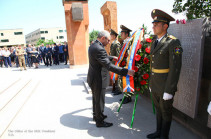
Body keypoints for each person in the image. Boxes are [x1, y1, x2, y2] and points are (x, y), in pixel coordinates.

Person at [147, 9, 183, 139]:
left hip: (165, 85)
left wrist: (169, 89)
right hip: (155, 84)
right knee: (158, 110)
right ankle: (158, 132)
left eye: (156, 24)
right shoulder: (154, 42)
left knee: (166, 111)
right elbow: (153, 65)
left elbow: (176, 68)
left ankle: (164, 135)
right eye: (153, 24)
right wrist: (151, 82)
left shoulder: (173, 42)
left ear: (165, 26)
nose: (153, 26)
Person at [87, 30, 135, 128]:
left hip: (93, 77)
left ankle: (97, 116)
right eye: (108, 40)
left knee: (96, 99)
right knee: (99, 100)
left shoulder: (94, 45)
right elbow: (108, 66)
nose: (109, 42)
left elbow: (100, 57)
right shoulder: (99, 48)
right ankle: (99, 121)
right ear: (103, 38)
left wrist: (111, 57)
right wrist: (126, 71)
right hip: (98, 79)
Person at [117, 25, 132, 104]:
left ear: (126, 34)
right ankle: (125, 96)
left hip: (127, 65)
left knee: (127, 80)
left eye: (122, 33)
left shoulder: (129, 42)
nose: (121, 34)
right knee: (124, 81)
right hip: (123, 64)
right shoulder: (124, 42)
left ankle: (128, 97)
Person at [109, 29, 121, 94]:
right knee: (114, 76)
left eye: (111, 35)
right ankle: (116, 88)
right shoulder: (113, 43)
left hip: (116, 63)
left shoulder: (117, 43)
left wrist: (117, 63)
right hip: (113, 62)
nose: (110, 36)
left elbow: (118, 54)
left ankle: (119, 89)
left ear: (114, 36)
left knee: (118, 76)